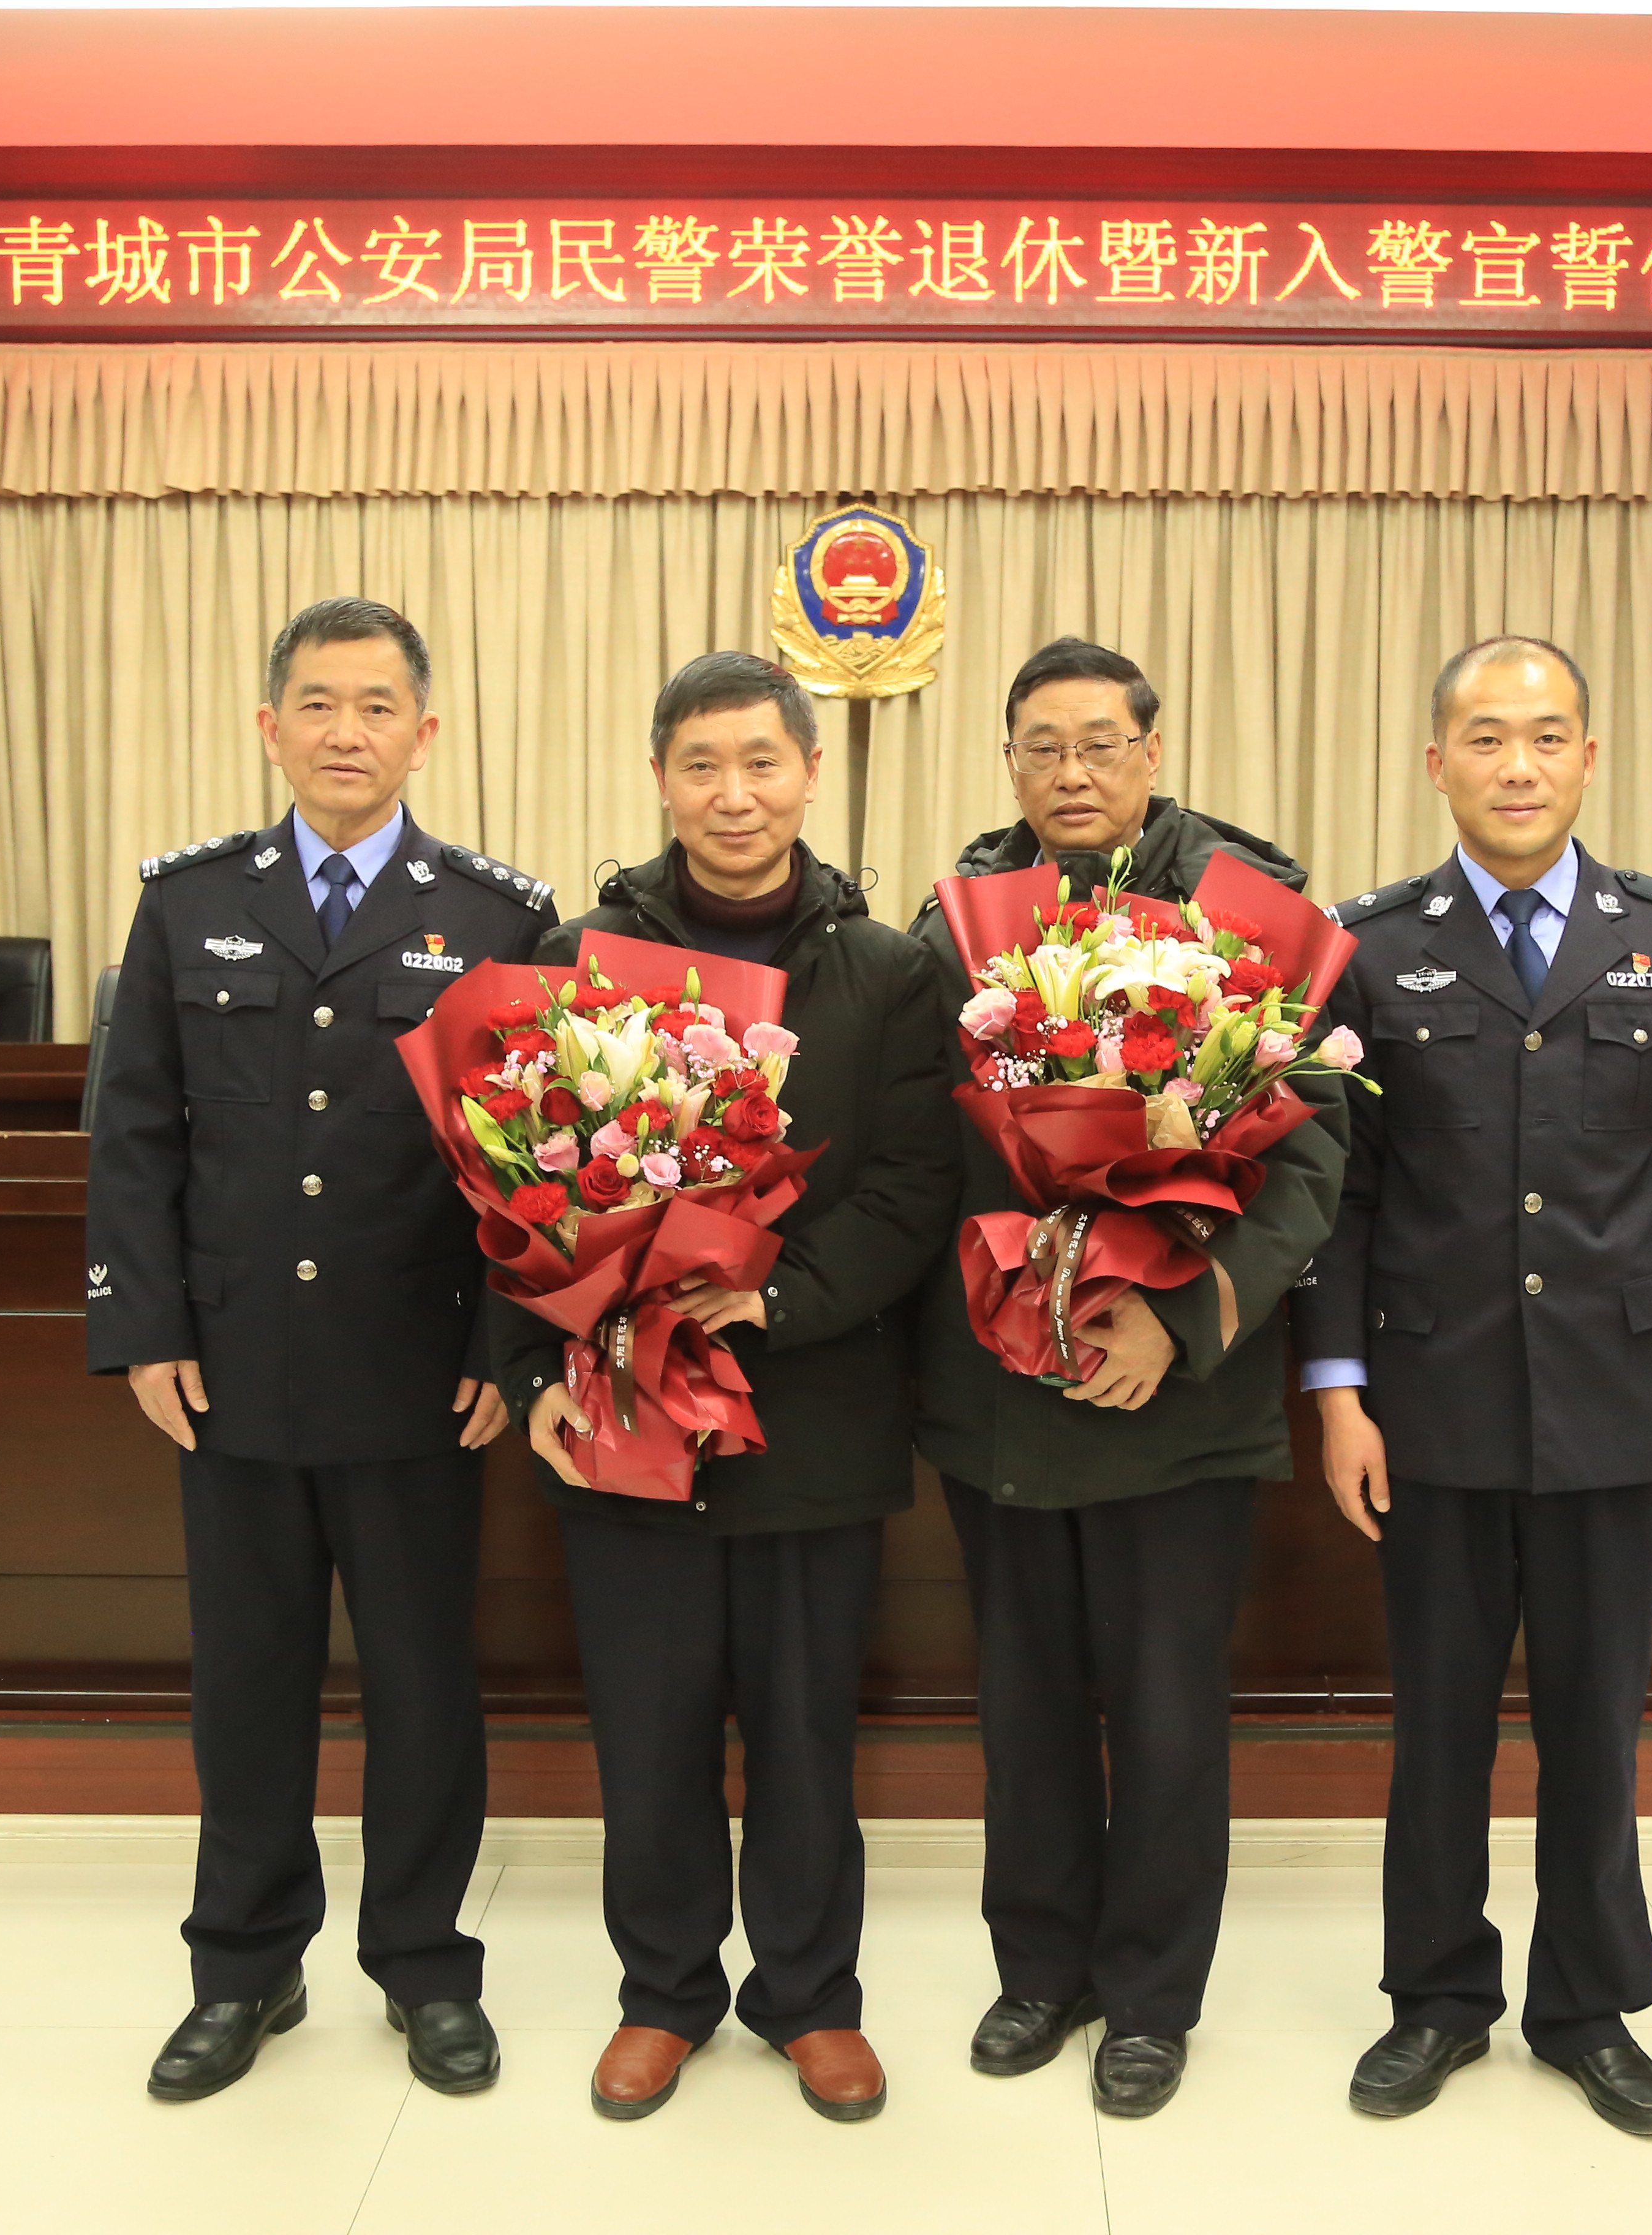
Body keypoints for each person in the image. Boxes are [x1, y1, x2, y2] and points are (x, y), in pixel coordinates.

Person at [88, 595, 558, 2103]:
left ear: (425, 733)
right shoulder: (187, 905)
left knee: (423, 1685)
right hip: (231, 1368)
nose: (345, 732)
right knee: (249, 1683)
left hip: (420, 1372)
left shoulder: (498, 918)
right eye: (317, 703)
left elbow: (532, 1156)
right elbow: (134, 1133)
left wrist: (508, 1342)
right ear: (269, 726)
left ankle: (424, 1967)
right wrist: (145, 1326)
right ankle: (244, 1968)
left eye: (376, 707)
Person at [1292, 634, 1652, 2135]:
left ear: (1588, 759)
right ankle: (1436, 2000)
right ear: (1438, 764)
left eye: (1548, 737)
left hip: (1619, 1400)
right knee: (1437, 1725)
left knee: (1593, 1729)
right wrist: (1340, 1390)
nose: (1519, 766)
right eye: (1487, 739)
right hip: (1431, 1401)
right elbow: (1342, 1199)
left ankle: (1587, 2010)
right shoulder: (1371, 948)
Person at [491, 650, 961, 2125]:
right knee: (650, 1729)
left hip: (813, 1413)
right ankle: (665, 1993)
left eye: (762, 762)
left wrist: (778, 1294)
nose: (734, 794)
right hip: (625, 1408)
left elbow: (911, 1188)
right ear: (660, 780)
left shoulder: (886, 970)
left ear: (810, 774)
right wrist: (538, 1367)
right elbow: (509, 1177)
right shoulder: (578, 958)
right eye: (702, 765)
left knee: (808, 1733)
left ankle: (811, 1998)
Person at [908, 636, 1346, 2119]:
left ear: (1154, 754)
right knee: (1025, 1702)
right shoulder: (959, 921)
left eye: (1101, 743)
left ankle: (1152, 1997)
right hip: (1004, 1389)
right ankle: (1039, 1972)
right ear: (1009, 764)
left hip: (1181, 1392)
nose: (1073, 772)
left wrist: (1176, 1317)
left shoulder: (1251, 913)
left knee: (1165, 1711)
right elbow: (932, 1151)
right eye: (1042, 746)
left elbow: (1311, 1168)